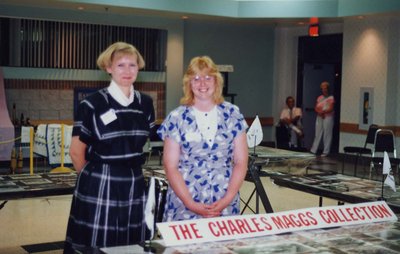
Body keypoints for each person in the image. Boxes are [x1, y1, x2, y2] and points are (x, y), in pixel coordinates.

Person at [64, 42, 155, 252]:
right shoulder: (92, 104)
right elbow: (76, 152)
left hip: (134, 180)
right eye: (120, 65)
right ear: (108, 68)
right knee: (97, 243)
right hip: (100, 182)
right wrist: (93, 181)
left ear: (138, 68)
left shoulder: (145, 103)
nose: (127, 71)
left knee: (131, 243)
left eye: (132, 65)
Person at [157, 56, 248, 221]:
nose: (202, 84)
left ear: (216, 81)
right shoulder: (176, 117)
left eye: (208, 77)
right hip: (184, 201)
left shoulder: (233, 114)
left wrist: (226, 200)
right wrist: (190, 203)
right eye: (196, 79)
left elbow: (241, 162)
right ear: (189, 84)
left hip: (224, 201)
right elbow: (170, 166)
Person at [310, 81, 334, 156]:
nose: (324, 90)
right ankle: (313, 150)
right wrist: (320, 113)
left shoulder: (331, 97)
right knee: (317, 133)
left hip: (328, 117)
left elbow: (331, 108)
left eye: (325, 88)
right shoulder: (319, 98)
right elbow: (316, 107)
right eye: (322, 88)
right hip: (320, 116)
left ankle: (326, 151)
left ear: (328, 88)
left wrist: (323, 113)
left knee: (327, 134)